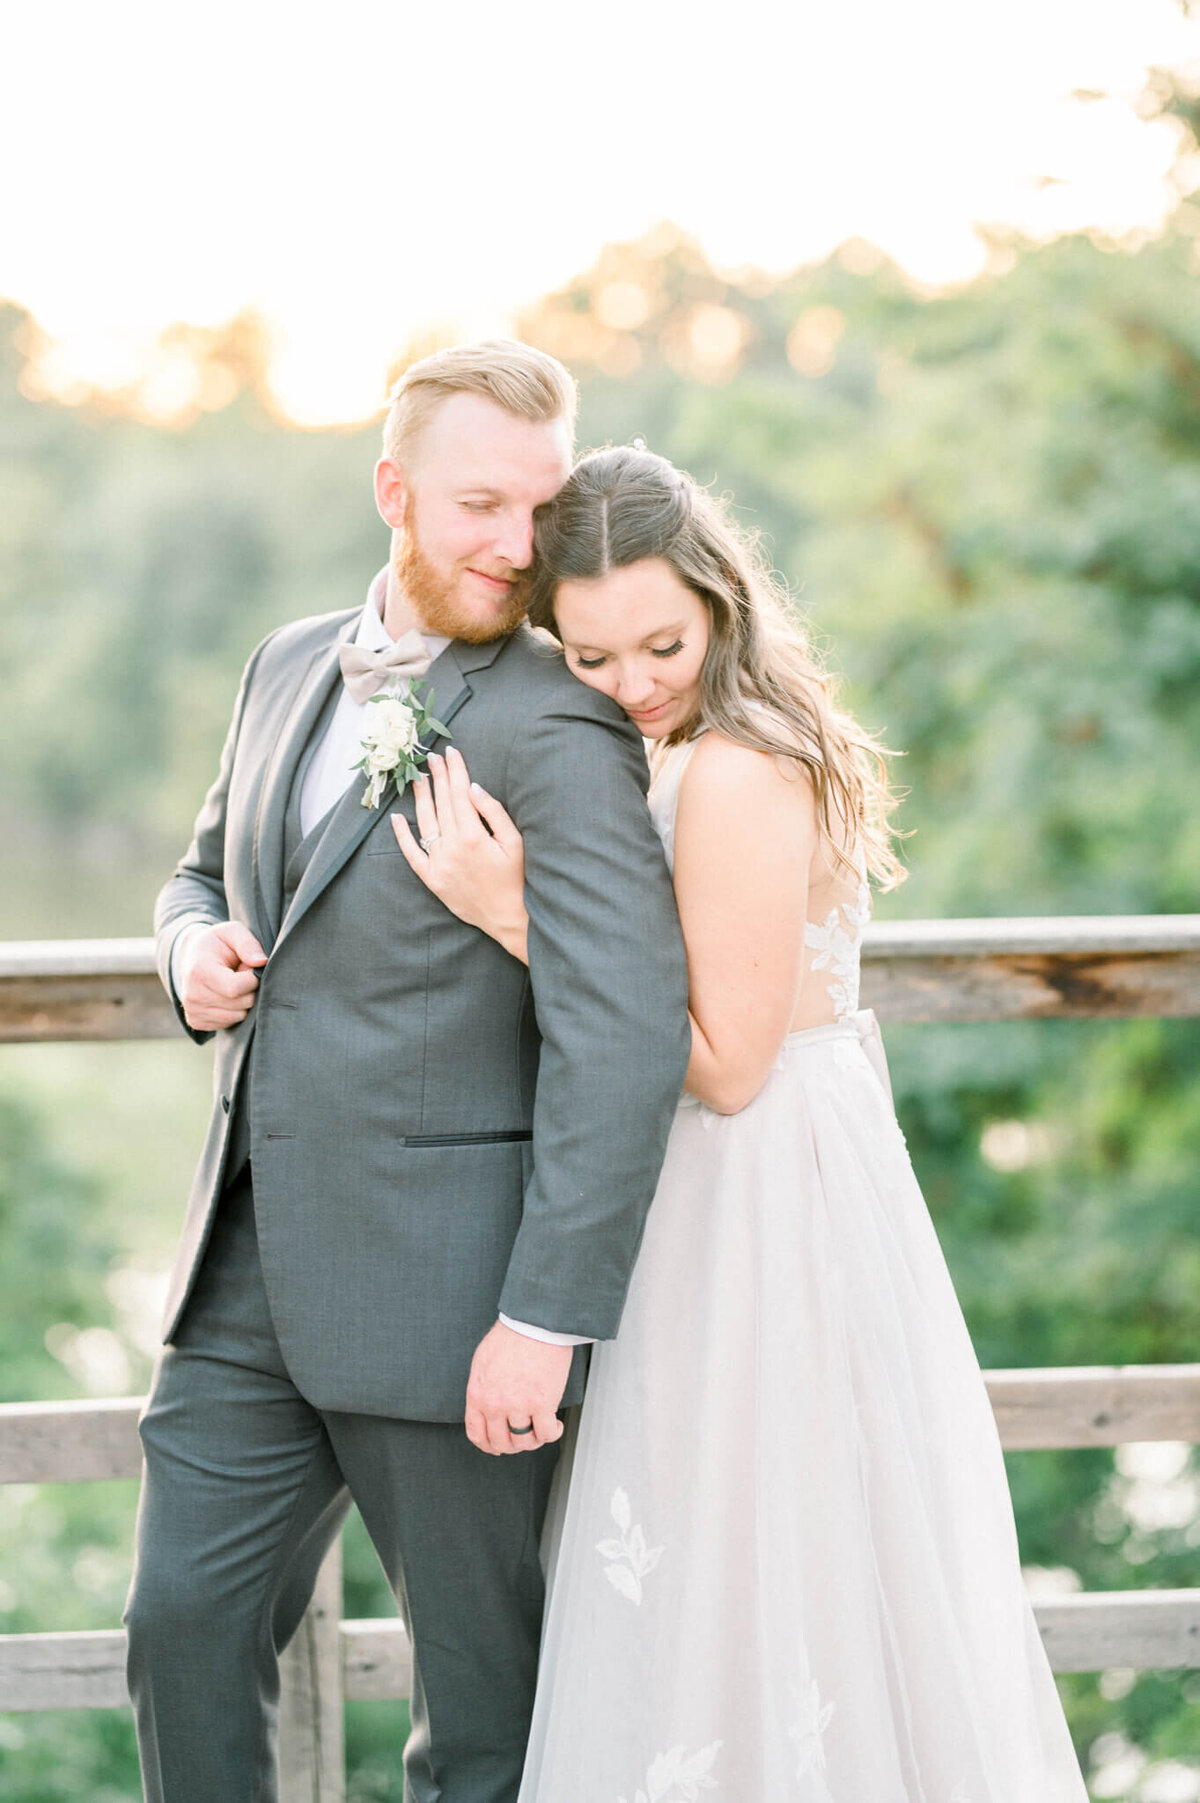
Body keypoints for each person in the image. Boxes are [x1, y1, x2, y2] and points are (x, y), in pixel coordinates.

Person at [395, 445, 1090, 1800]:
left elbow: (724, 1065)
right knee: (739, 1562)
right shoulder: (714, 739)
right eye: (589, 659)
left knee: (766, 1551)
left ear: (718, 597)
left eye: (661, 642)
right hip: (746, 1182)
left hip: (758, 1191)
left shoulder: (734, 769)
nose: (635, 684)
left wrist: (511, 913)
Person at [124, 347, 691, 1803]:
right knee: (179, 1629)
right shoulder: (284, 662)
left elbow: (624, 1032)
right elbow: (198, 873)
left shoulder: (560, 718)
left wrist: (545, 1316)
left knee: (481, 1705)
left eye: (540, 507)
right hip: (241, 1274)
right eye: (479, 504)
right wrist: (188, 960)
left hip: (457, 1301)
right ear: (393, 491)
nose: (516, 544)